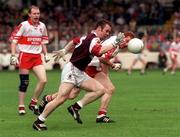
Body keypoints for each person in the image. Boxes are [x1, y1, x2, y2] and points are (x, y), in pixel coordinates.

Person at [33, 19, 125, 131]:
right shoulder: (93, 39)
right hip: (72, 70)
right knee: (61, 99)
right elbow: (98, 52)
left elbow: (74, 41)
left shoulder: (87, 37)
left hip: (80, 72)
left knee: (100, 90)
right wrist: (114, 43)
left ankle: (75, 107)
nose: (108, 34)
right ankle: (39, 121)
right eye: (106, 31)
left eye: (109, 32)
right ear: (99, 29)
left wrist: (64, 50)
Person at [9, 5, 50, 115]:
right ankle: (21, 105)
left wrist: (46, 54)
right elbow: (14, 41)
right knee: (24, 83)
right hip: (25, 56)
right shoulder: (24, 25)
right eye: (34, 13)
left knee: (43, 80)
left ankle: (33, 102)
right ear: (29, 14)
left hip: (37, 57)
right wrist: (13, 55)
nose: (36, 15)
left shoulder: (42, 26)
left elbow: (43, 42)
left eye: (38, 13)